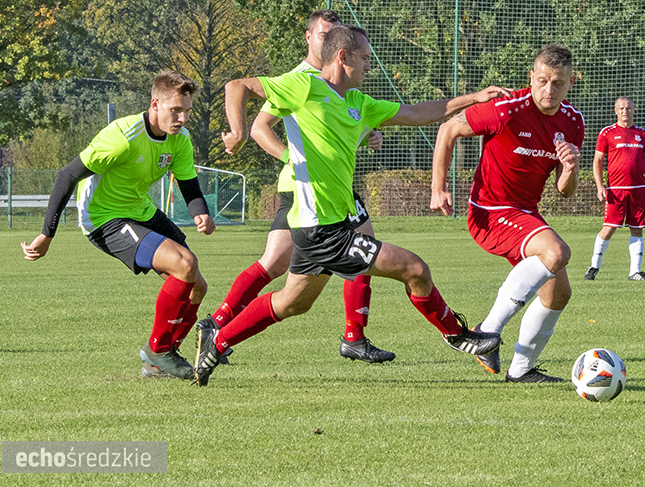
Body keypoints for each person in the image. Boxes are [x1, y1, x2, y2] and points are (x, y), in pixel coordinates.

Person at [192, 24, 507, 386]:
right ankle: (458, 336)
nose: (369, 66)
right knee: (415, 269)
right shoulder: (304, 87)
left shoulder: (360, 102)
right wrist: (237, 131)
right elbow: (237, 86)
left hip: (328, 225)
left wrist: (473, 98)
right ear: (343, 57)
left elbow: (417, 113)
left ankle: (217, 341)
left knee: (293, 302)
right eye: (365, 58)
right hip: (320, 229)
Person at [200, 10, 395, 364]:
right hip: (304, 188)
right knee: (279, 264)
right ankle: (217, 325)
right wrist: (289, 157)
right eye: (323, 34)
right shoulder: (299, 80)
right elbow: (260, 127)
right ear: (309, 37)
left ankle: (354, 336)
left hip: (331, 187)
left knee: (345, 248)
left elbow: (344, 124)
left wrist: (369, 134)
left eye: (335, 34)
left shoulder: (340, 84)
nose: (329, 40)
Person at [21, 70, 215, 380]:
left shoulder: (180, 140)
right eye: (176, 110)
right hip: (104, 218)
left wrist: (200, 213)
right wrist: (47, 233)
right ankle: (158, 351)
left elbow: (189, 185)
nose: (182, 118)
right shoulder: (123, 137)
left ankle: (161, 359)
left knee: (196, 286)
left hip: (141, 211)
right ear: (155, 104)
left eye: (187, 111)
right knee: (184, 263)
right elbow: (67, 175)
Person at [431, 44, 584, 383]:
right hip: (490, 211)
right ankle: (486, 332)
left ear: (571, 82)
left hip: (525, 215)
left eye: (558, 83)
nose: (548, 89)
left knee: (558, 293)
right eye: (542, 80)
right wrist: (438, 188)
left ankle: (521, 370)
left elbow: (565, 190)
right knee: (557, 252)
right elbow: (448, 130)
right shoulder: (507, 108)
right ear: (531, 77)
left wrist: (571, 167)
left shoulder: (573, 121)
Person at [584, 97, 645, 281]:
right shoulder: (607, 133)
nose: (625, 111)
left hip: (638, 189)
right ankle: (593, 267)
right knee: (609, 228)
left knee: (637, 228)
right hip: (616, 190)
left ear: (634, 110)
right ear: (616, 110)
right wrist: (599, 185)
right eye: (622, 108)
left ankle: (635, 272)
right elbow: (598, 160)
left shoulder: (643, 134)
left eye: (629, 108)